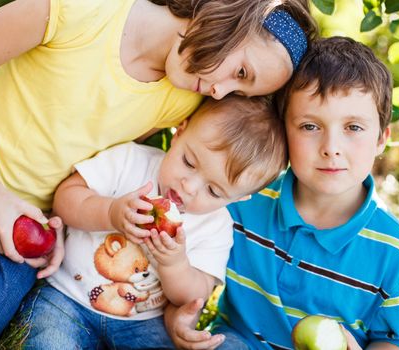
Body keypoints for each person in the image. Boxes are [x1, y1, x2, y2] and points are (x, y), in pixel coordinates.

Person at [0, 0, 317, 347]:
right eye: (240, 72)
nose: (220, 92)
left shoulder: (182, 99)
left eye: (240, 89)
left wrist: (58, 223)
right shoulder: (81, 10)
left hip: (25, 217)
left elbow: (93, 157)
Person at [165, 36, 399, 350]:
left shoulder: (394, 252)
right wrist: (176, 319)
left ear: (381, 138)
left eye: (353, 128)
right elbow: (189, 278)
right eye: (309, 126)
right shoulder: (239, 204)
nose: (331, 148)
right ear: (283, 130)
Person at [15, 94, 288, 349]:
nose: (189, 186)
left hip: (144, 322)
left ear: (239, 198)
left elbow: (194, 296)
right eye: (189, 162)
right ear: (179, 133)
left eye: (214, 191)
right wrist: (110, 213)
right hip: (66, 296)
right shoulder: (131, 161)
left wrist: (174, 263)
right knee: (49, 337)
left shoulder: (215, 228)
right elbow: (66, 198)